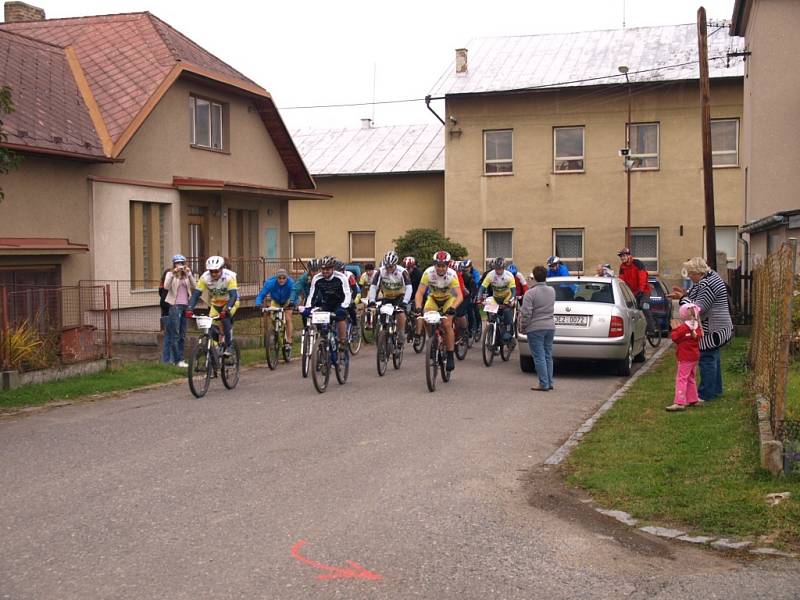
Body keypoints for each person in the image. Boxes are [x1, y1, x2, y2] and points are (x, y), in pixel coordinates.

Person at [668, 257, 733, 401]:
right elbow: (693, 295)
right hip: (717, 326)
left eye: (691, 273)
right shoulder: (708, 277)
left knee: (707, 357)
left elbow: (696, 309)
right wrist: (683, 295)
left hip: (713, 328)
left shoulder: (707, 284)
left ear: (698, 272)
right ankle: (715, 389)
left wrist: (682, 300)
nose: (689, 276)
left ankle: (706, 393)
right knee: (713, 356)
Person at [414, 250, 463, 372]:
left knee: (447, 324)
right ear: (434, 265)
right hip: (434, 299)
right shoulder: (428, 273)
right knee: (425, 318)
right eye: (438, 266)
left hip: (448, 300)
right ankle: (432, 342)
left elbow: (459, 295)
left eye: (443, 266)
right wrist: (418, 307)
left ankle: (450, 355)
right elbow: (420, 292)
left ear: (447, 265)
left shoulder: (452, 275)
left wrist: (453, 308)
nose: (440, 268)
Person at [186, 256, 240, 354]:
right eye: (211, 271)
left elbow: (233, 296)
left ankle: (229, 346)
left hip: (230, 302)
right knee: (210, 326)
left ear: (222, 269)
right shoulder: (205, 278)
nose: (214, 274)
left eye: (216, 271)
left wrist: (227, 309)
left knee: (225, 319)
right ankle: (215, 349)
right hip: (216, 304)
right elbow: (196, 295)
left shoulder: (229, 277)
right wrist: (189, 308)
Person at [520, 265, 555, 391]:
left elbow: (526, 313)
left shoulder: (530, 293)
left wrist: (523, 326)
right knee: (547, 355)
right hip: (550, 326)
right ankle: (550, 382)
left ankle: (543, 383)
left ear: (533, 277)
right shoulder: (552, 291)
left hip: (535, 327)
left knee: (539, 356)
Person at [304, 255, 351, 348]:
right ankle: (322, 341)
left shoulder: (341, 277)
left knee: (340, 317)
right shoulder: (317, 278)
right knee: (317, 319)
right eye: (323, 269)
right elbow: (312, 294)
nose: (325, 271)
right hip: (326, 303)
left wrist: (343, 306)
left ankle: (342, 342)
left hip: (340, 303)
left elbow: (347, 294)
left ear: (333, 269)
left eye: (328, 269)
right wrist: (308, 307)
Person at [368, 250, 412, 345]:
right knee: (382, 316)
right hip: (387, 297)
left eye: (391, 267)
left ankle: (400, 334)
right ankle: (383, 341)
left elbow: (409, 287)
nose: (388, 269)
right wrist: (371, 300)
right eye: (387, 266)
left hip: (399, 297)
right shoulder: (381, 271)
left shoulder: (402, 272)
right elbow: (373, 286)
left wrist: (405, 302)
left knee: (400, 313)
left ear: (395, 264)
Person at [666, 302, 703, 412]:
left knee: (681, 378)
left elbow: (675, 338)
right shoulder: (697, 328)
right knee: (691, 377)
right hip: (694, 357)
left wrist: (674, 328)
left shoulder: (683, 328)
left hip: (685, 357)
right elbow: (697, 336)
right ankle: (693, 398)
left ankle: (679, 402)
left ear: (682, 315)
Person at [162, 254, 196, 367]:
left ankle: (180, 359)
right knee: (175, 334)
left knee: (182, 334)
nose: (180, 265)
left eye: (181, 263)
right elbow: (166, 287)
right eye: (177, 263)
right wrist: (173, 273)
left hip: (185, 305)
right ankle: (176, 360)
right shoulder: (170, 274)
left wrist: (189, 274)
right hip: (175, 306)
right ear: (174, 264)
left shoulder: (186, 275)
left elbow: (195, 285)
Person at [255, 268, 297, 350]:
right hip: (276, 301)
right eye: (279, 278)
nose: (281, 280)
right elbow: (261, 294)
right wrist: (258, 303)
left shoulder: (290, 283)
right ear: (276, 278)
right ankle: (275, 334)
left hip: (287, 300)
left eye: (284, 278)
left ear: (286, 278)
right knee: (273, 319)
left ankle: (289, 341)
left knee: (288, 318)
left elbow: (294, 293)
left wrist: (292, 302)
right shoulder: (270, 283)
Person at [617, 247, 655, 333]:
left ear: (629, 255)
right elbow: (621, 280)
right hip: (633, 293)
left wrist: (641, 290)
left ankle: (651, 329)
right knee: (631, 310)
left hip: (644, 291)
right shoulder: (622, 267)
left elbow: (643, 277)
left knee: (644, 307)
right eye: (621, 256)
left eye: (623, 256)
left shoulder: (637, 263)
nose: (622, 258)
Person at [478, 257, 517, 341]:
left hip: (507, 297)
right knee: (492, 315)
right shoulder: (490, 275)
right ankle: (492, 333)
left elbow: (514, 291)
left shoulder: (509, 276)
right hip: (496, 297)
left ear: (504, 268)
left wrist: (510, 301)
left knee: (506, 312)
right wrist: (478, 298)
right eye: (496, 269)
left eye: (500, 269)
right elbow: (482, 287)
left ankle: (509, 333)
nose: (498, 271)